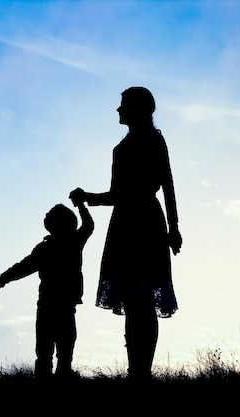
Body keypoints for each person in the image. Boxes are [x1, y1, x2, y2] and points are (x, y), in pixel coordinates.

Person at [69, 86, 182, 381]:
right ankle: (137, 370)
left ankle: (141, 370)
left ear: (138, 108)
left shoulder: (154, 141)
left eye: (123, 105)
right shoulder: (120, 149)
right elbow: (117, 194)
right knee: (134, 300)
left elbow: (167, 185)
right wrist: (90, 197)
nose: (118, 111)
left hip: (145, 223)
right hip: (127, 224)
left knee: (143, 300)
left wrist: (174, 228)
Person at [0, 199, 94, 380]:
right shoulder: (72, 242)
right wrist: (80, 205)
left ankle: (48, 376)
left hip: (49, 302)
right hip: (62, 302)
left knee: (48, 345)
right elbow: (89, 225)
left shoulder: (49, 247)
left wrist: (2, 280)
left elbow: (22, 267)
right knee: (63, 343)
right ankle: (61, 373)